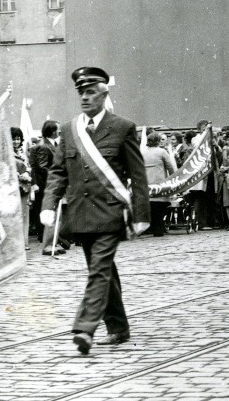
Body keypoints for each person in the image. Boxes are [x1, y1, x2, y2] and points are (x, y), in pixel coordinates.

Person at [40, 67, 150, 354]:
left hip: (111, 213)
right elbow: (57, 172)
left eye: (90, 92)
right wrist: (49, 206)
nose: (85, 98)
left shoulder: (123, 127)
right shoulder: (68, 129)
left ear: (104, 95)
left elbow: (138, 175)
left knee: (98, 271)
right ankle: (118, 328)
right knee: (102, 271)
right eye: (81, 93)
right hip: (80, 214)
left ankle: (85, 328)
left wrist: (141, 215)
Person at [30, 120, 66, 255]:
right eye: (58, 129)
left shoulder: (50, 145)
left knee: (57, 215)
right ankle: (48, 245)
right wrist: (56, 178)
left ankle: (54, 243)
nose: (59, 131)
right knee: (52, 214)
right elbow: (42, 167)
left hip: (52, 185)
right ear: (53, 131)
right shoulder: (44, 147)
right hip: (50, 185)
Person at [142, 131, 176, 237]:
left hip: (147, 184)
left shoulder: (142, 152)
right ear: (157, 141)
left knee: (151, 207)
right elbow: (170, 167)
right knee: (160, 207)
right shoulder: (162, 152)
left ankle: (151, 228)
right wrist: (173, 178)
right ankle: (159, 229)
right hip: (159, 184)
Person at [10, 127, 33, 250]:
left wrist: (28, 173)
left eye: (18, 139)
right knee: (14, 216)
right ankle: (15, 244)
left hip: (25, 188)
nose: (16, 142)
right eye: (13, 139)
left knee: (25, 216)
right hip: (14, 189)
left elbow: (29, 167)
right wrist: (19, 176)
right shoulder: (7, 154)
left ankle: (24, 243)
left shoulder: (22, 153)